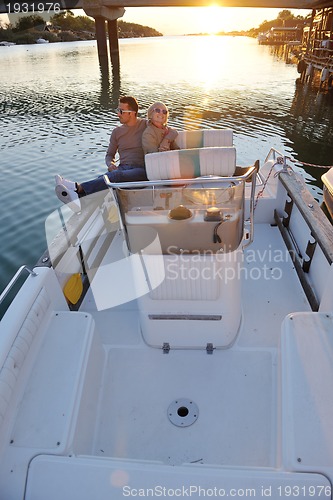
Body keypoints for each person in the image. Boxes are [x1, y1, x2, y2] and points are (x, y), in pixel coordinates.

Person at [55, 96, 147, 212]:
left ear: (132, 113)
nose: (118, 114)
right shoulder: (117, 132)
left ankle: (77, 188)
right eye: (117, 110)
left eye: (121, 111)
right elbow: (109, 155)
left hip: (140, 170)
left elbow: (168, 130)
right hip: (123, 169)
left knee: (114, 177)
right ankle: (81, 202)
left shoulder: (146, 125)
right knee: (104, 178)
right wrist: (110, 164)